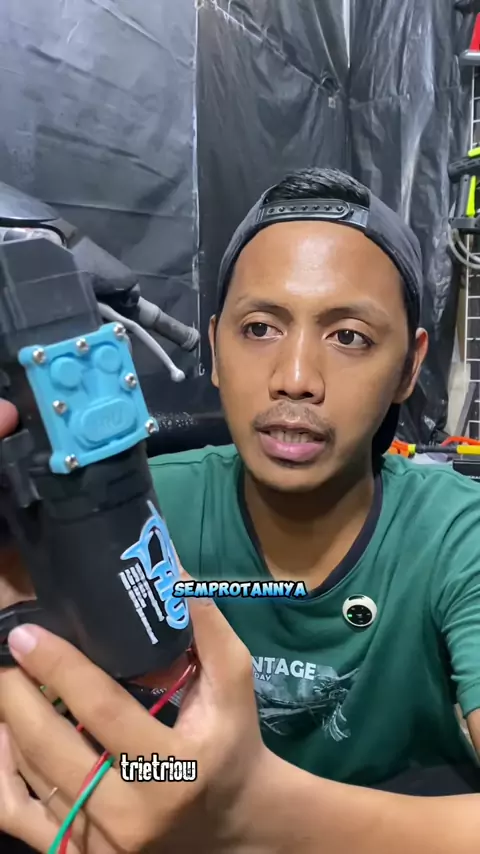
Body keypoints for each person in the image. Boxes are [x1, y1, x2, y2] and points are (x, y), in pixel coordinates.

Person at [1, 167, 480, 852]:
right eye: (259, 328)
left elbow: (215, 803)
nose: (295, 379)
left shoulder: (459, 534)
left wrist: (252, 814)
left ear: (410, 366)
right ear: (216, 348)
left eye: (349, 336)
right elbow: (145, 772)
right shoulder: (132, 509)